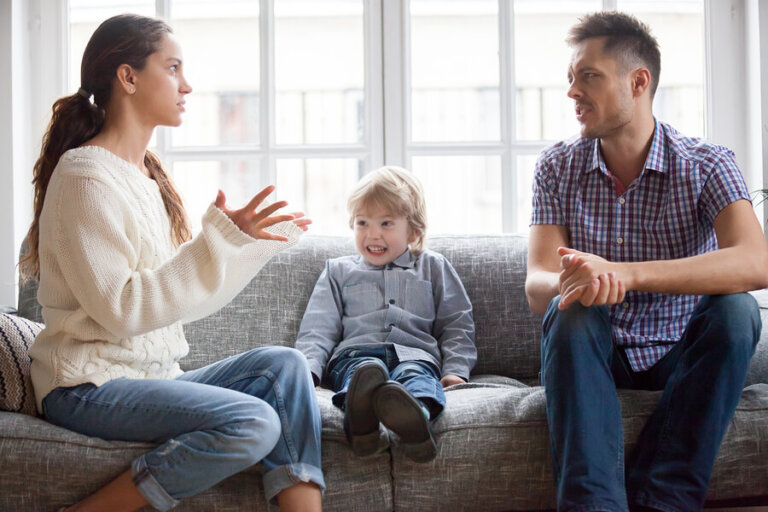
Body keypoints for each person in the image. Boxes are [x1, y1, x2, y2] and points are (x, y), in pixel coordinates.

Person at [21, 14, 324, 512]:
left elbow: (176, 303)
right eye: (174, 67)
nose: (188, 85)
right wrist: (213, 245)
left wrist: (241, 246)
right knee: (254, 421)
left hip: (147, 377)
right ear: (129, 76)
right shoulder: (85, 178)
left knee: (285, 367)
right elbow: (123, 309)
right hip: (85, 387)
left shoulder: (143, 178)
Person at [525, 11, 768, 512]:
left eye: (588, 76)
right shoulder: (555, 166)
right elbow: (538, 283)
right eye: (570, 78)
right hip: (595, 353)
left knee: (737, 311)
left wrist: (625, 274)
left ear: (639, 82)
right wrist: (579, 283)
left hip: (679, 348)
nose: (572, 91)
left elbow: (756, 261)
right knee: (571, 311)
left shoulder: (706, 163)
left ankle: (666, 501)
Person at [295, 166, 476, 463]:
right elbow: (318, 328)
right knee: (363, 373)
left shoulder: (434, 266)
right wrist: (309, 371)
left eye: (386, 223)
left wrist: (455, 370)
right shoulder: (338, 272)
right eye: (362, 222)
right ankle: (362, 423)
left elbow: (457, 323)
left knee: (414, 376)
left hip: (414, 355)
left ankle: (415, 419)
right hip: (355, 355)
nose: (372, 234)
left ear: (414, 229)